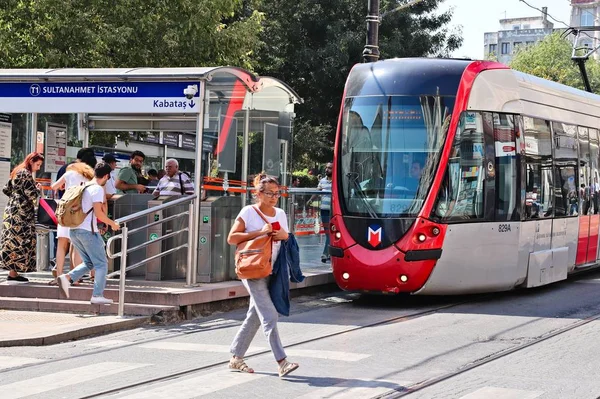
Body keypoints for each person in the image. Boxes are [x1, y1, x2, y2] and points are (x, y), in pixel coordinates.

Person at [226, 173, 299, 378]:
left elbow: (286, 237)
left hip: (273, 270)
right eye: (269, 193)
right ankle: (282, 361)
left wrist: (285, 236)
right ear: (258, 193)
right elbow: (232, 238)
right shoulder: (249, 212)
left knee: (255, 316)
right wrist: (260, 232)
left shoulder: (281, 213)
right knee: (269, 315)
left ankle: (236, 357)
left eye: (277, 193)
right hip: (253, 271)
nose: (274, 197)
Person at [57, 162, 121, 304]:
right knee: (102, 263)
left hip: (74, 230)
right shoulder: (97, 189)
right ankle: (97, 295)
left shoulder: (83, 186)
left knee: (89, 262)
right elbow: (99, 213)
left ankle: (66, 278)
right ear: (105, 176)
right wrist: (112, 224)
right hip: (88, 232)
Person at [0, 152, 44, 284]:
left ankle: (13, 273)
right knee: (21, 242)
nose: (38, 168)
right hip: (22, 215)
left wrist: (16, 196)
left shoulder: (17, 171)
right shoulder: (25, 173)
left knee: (12, 242)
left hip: (11, 212)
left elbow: (5, 189)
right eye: (37, 164)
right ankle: (14, 273)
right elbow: (31, 195)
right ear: (31, 161)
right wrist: (38, 189)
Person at [51, 159, 95, 282]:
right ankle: (75, 277)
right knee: (77, 246)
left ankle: (59, 275)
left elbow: (54, 186)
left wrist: (64, 187)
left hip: (65, 212)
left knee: (61, 244)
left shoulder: (69, 174)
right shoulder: (89, 178)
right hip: (79, 214)